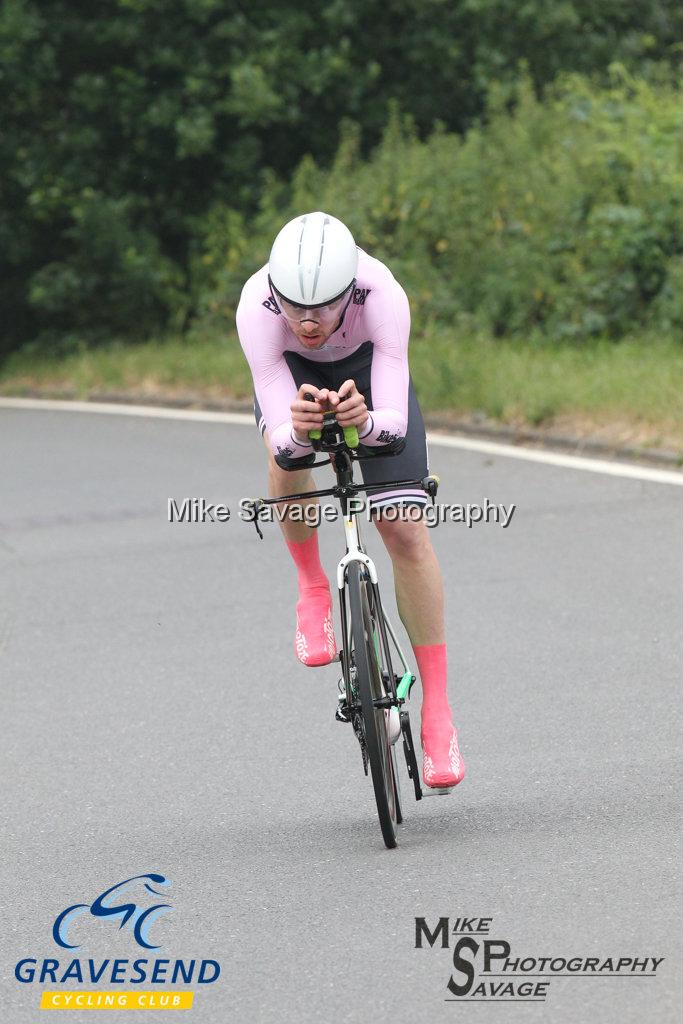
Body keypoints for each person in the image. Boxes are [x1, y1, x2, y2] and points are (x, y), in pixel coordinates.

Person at [236, 211, 465, 789]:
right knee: (282, 463)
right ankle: (313, 589)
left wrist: (365, 422)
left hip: (369, 378)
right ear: (275, 292)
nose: (308, 321)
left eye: (323, 307)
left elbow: (394, 424)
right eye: (294, 306)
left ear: (349, 291)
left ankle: (437, 710)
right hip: (295, 380)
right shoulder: (256, 309)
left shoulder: (382, 293)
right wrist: (298, 429)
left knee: (404, 528)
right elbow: (285, 442)